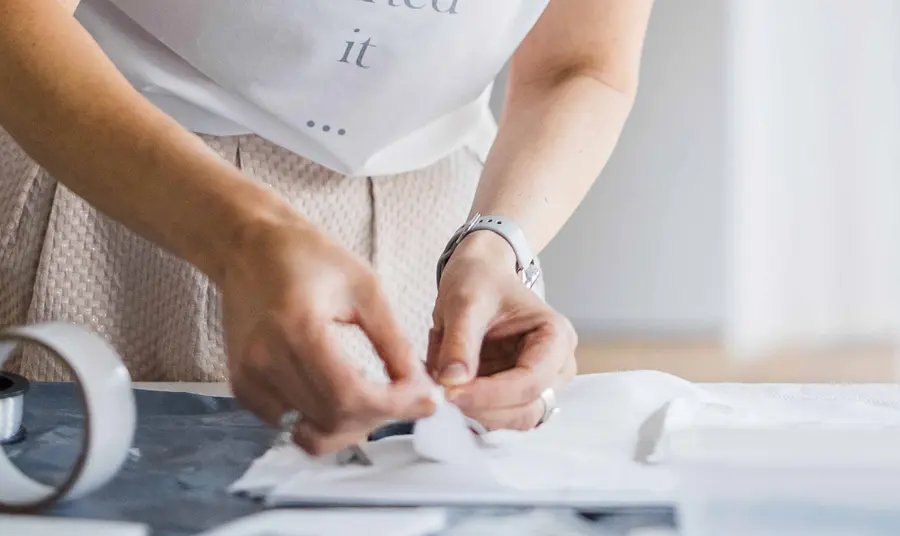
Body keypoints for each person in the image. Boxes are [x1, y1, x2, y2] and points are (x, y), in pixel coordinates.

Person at [0, 0, 653, 454]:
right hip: (108, 182)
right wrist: (242, 238)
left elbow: (582, 63)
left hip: (431, 226)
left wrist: (498, 243)